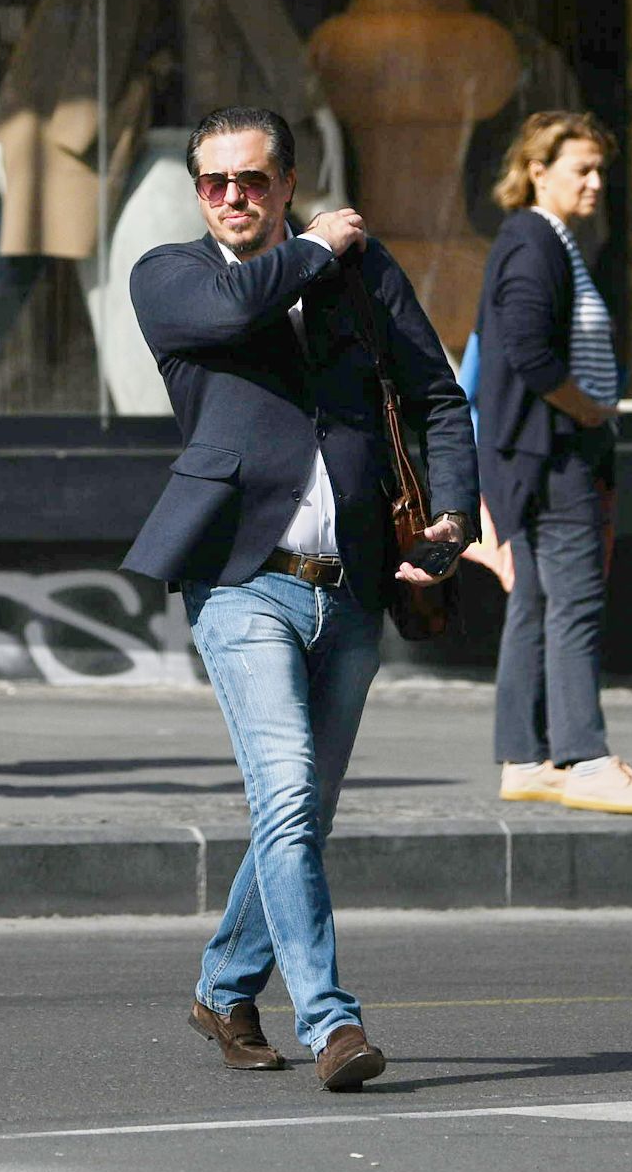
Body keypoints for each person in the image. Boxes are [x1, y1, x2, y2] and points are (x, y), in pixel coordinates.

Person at [126, 104, 473, 1093]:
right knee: (283, 798)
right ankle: (331, 1020)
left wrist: (452, 512)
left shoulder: (365, 276)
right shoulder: (173, 278)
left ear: (286, 182)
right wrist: (317, 245)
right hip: (241, 583)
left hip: (351, 586)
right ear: (199, 193)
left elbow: (438, 397)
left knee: (303, 814)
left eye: (253, 181)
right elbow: (239, 312)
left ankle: (224, 987)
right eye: (213, 183)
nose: (233, 197)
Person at [474, 111, 632, 817]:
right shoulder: (535, 242)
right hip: (553, 454)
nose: (595, 182)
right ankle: (586, 758)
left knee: (534, 601)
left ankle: (525, 758)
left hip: (529, 453)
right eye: (580, 169)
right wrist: (587, 408)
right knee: (576, 602)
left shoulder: (542, 241)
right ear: (536, 170)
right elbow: (528, 351)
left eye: (599, 170)